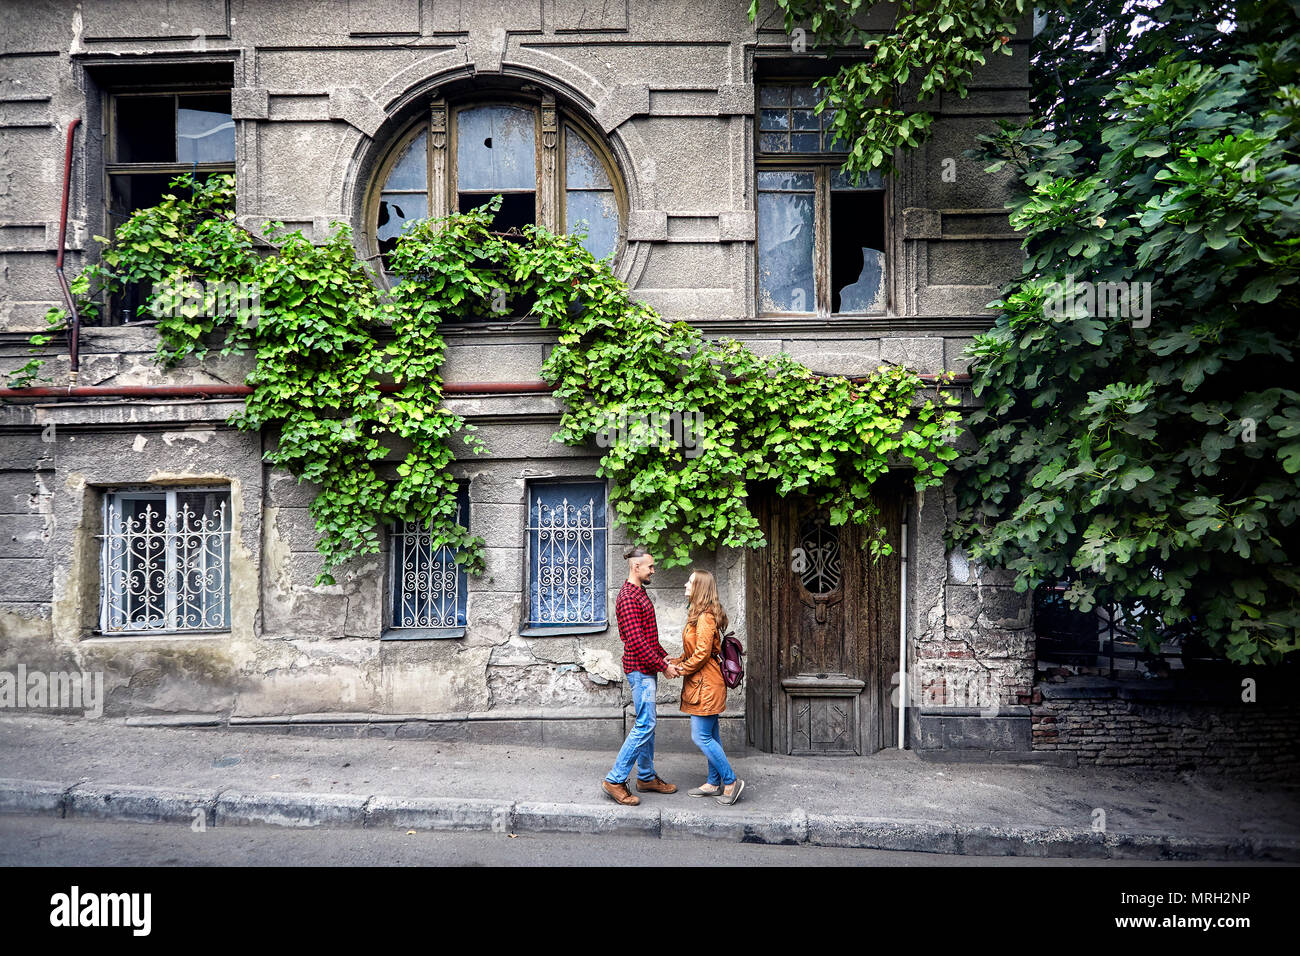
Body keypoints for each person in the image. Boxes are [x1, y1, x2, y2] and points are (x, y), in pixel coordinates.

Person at [602, 546, 679, 806]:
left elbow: (647, 635)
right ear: (636, 567)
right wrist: (662, 665)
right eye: (650, 567)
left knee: (648, 723)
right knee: (645, 724)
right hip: (639, 670)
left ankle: (645, 777)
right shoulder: (627, 597)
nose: (653, 571)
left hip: (646, 668)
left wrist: (663, 656)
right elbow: (635, 641)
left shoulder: (639, 592)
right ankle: (615, 779)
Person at [669, 568, 744, 806]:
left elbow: (702, 655)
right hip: (704, 681)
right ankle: (713, 782)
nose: (685, 585)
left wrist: (681, 669)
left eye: (690, 582)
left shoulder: (706, 617)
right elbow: (695, 651)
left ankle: (731, 781)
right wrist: (676, 661)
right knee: (711, 735)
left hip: (707, 684)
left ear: (700, 587)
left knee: (700, 736)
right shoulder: (699, 615)